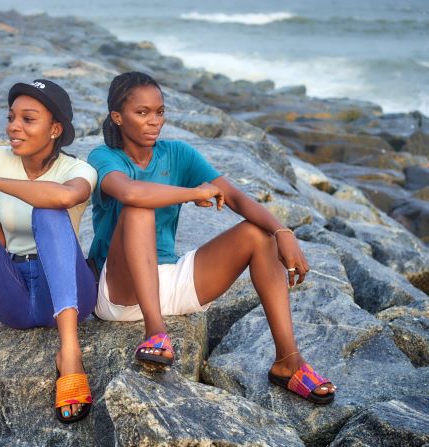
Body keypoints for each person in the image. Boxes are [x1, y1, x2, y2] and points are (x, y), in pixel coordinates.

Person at [87, 71, 336, 404]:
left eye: (159, 112)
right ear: (117, 117)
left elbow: (235, 197)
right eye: (141, 113)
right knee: (138, 208)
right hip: (118, 291)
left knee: (257, 235)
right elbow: (131, 192)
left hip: (169, 280)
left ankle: (288, 361)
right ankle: (156, 332)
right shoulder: (103, 157)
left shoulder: (177, 153)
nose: (154, 121)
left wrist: (282, 231)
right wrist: (191, 193)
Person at [0, 79, 98, 426]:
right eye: (11, 117)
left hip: (65, 293)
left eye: (28, 119)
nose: (14, 126)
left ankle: (70, 355)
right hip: (13, 297)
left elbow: (65, 197)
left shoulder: (79, 170)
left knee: (48, 206)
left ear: (55, 129)